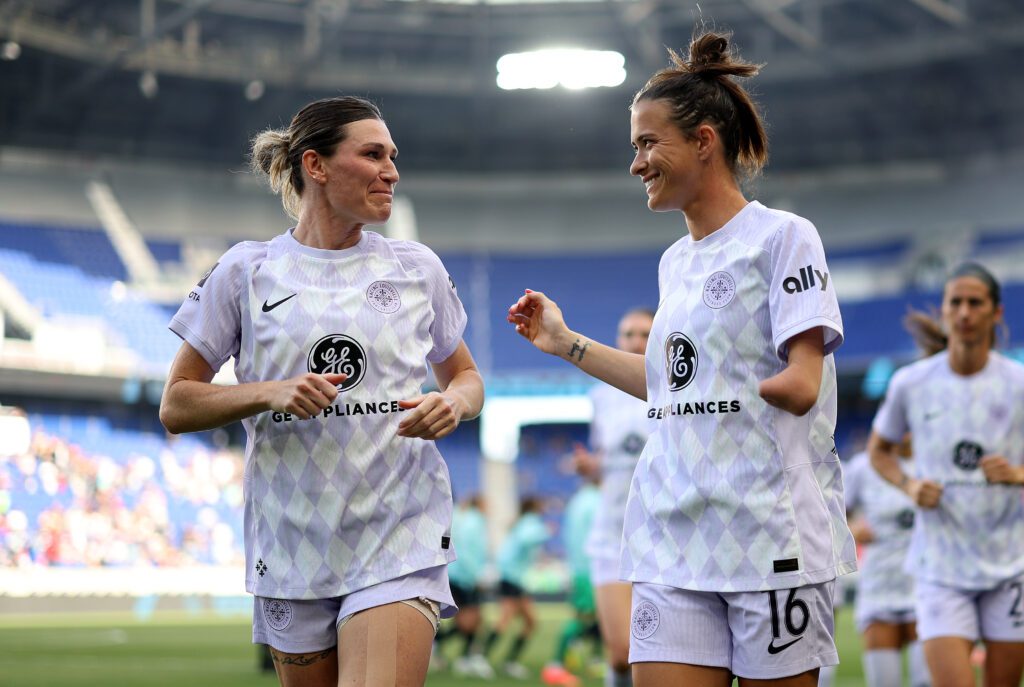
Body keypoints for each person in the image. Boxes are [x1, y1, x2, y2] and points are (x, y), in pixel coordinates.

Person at [507, 29, 856, 687]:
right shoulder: (675, 263)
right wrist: (564, 341)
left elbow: (803, 381)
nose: (636, 163)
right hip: (674, 533)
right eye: (634, 147)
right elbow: (670, 385)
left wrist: (782, 384)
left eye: (647, 143)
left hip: (770, 534)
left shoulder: (783, 237)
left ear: (703, 141)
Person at [158, 95, 484, 687]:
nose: (391, 171)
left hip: (398, 534)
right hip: (290, 543)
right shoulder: (246, 271)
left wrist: (454, 403)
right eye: (373, 155)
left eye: (393, 157)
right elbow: (177, 403)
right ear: (316, 165)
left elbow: (466, 378)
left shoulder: (416, 269)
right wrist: (268, 393)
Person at [868, 262, 1024, 687]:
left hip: (1009, 564)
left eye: (976, 303)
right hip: (939, 568)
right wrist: (909, 485)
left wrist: (1017, 474)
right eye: (956, 302)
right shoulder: (911, 383)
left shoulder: (1017, 383)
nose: (965, 312)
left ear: (996, 312)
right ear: (943, 310)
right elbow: (879, 450)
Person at [579, 307, 654, 687]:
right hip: (611, 536)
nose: (635, 342)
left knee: (651, 655)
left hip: (660, 536)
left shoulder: (675, 386)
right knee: (621, 653)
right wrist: (590, 467)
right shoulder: (600, 396)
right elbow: (606, 463)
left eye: (644, 334)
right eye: (628, 334)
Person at [845, 439, 930, 687]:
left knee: (925, 682)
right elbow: (835, 514)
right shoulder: (862, 466)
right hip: (879, 586)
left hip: (924, 587)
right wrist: (852, 529)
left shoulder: (931, 461)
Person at [542, 462, 602, 687]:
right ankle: (557, 665)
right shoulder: (597, 501)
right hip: (591, 569)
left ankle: (583, 657)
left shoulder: (578, 500)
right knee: (585, 617)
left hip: (579, 567)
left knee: (592, 617)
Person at [482, 495, 551, 678]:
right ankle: (480, 657)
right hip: (512, 578)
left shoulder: (524, 521)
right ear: (534, 506)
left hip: (513, 578)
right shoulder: (531, 522)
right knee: (507, 620)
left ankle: (508, 661)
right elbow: (526, 539)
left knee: (529, 622)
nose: (545, 508)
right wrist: (545, 531)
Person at [443, 493, 494, 679]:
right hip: (464, 577)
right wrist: (477, 576)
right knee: (469, 621)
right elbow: (466, 551)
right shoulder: (474, 523)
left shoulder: (467, 520)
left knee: (473, 620)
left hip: (458, 574)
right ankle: (457, 654)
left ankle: (466, 656)